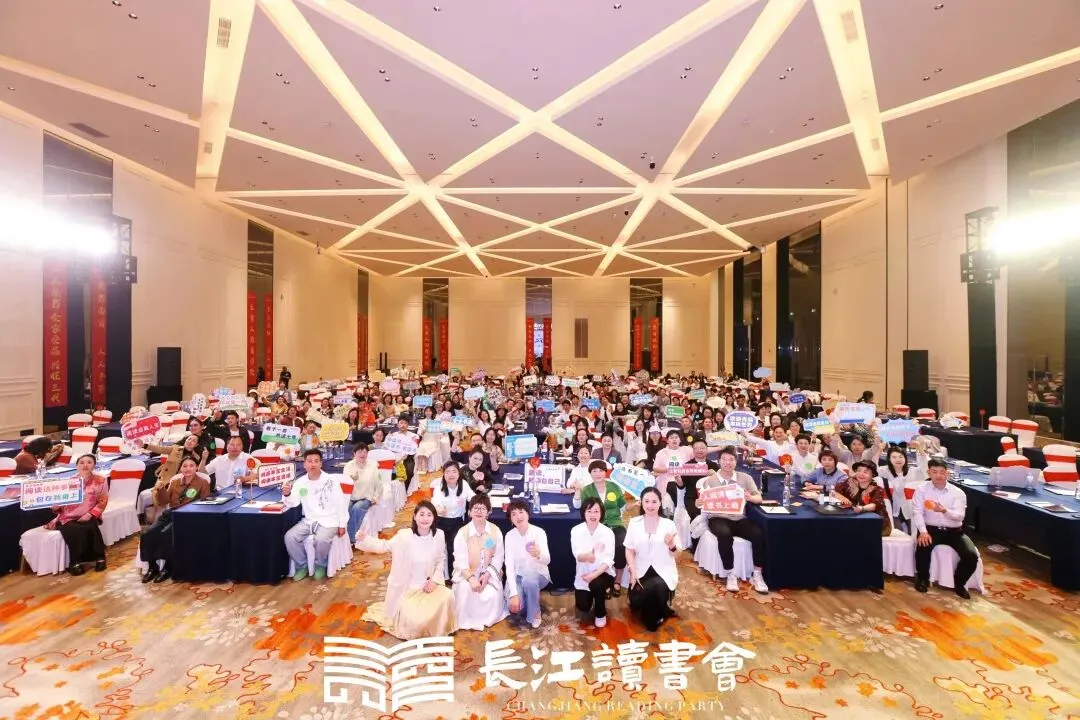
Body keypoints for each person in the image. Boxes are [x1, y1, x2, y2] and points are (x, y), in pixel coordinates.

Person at [356, 501, 457, 639]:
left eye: (429, 515)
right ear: (415, 516)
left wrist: (434, 581)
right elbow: (384, 546)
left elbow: (441, 560)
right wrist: (365, 539)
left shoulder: (439, 535)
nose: (425, 518)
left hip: (428, 588)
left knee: (449, 596)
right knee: (417, 622)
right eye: (422, 514)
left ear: (434, 518)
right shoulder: (404, 536)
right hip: (407, 590)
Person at [695, 446, 769, 594]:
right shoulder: (710, 481)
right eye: (724, 459)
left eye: (731, 459)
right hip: (718, 518)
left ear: (736, 461)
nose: (728, 463)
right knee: (725, 535)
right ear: (719, 461)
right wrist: (699, 503)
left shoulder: (745, 478)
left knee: (758, 533)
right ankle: (730, 573)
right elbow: (702, 504)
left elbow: (759, 498)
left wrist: (750, 497)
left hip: (739, 517)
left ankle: (757, 574)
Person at [912, 458, 978, 599]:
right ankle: (922, 579)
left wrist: (944, 511)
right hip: (930, 529)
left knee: (971, 555)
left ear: (947, 473)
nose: (938, 475)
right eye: (934, 472)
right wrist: (923, 531)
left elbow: (960, 517)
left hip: (954, 531)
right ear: (929, 473)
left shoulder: (958, 492)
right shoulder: (921, 489)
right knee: (923, 546)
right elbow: (917, 512)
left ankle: (959, 583)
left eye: (942, 472)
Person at [140, 456, 210, 583]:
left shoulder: (202, 482)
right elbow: (164, 501)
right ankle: (152, 567)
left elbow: (206, 504)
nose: (188, 468)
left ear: (196, 468)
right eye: (185, 466)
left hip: (188, 516)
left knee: (166, 533)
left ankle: (167, 567)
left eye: (191, 465)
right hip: (171, 513)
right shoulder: (175, 482)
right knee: (148, 532)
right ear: (181, 468)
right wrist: (161, 489)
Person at [282, 449, 348, 581]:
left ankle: (320, 565)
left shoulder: (331, 481)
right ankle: (301, 566)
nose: (313, 464)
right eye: (309, 461)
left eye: (316, 461)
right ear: (304, 464)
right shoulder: (300, 482)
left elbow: (341, 504)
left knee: (321, 540)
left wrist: (342, 524)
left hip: (329, 520)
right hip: (309, 520)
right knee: (290, 537)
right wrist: (287, 494)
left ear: (321, 464)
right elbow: (293, 503)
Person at [624, 487, 682, 631]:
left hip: (663, 571)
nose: (650, 505)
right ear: (641, 502)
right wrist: (632, 569)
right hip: (640, 571)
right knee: (637, 601)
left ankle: (659, 609)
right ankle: (661, 609)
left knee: (651, 621)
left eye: (654, 502)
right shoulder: (634, 523)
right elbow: (629, 549)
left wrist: (671, 545)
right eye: (647, 501)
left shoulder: (668, 524)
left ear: (660, 503)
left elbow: (677, 554)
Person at [452, 494, 508, 630]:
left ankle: (488, 618)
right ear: (469, 512)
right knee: (466, 591)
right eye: (475, 508)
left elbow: (499, 556)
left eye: (483, 508)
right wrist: (471, 579)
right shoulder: (463, 533)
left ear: (488, 512)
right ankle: (467, 619)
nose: (479, 511)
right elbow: (460, 560)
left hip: (489, 572)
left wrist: (488, 574)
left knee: (491, 594)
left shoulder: (495, 531)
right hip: (467, 573)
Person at [45, 454, 108, 575]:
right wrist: (55, 506)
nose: (85, 465)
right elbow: (60, 501)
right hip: (68, 516)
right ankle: (75, 562)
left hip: (89, 514)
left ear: (94, 465)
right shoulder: (70, 481)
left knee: (91, 526)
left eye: (89, 462)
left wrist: (90, 514)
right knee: (73, 529)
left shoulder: (101, 480)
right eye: (81, 462)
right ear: (77, 465)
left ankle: (100, 558)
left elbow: (103, 501)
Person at [579, 459, 629, 597]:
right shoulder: (587, 490)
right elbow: (584, 510)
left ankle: (618, 579)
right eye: (594, 471)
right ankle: (605, 581)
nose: (598, 473)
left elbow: (623, 506)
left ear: (605, 472)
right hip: (598, 526)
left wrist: (635, 504)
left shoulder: (614, 486)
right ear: (590, 473)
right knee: (600, 549)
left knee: (621, 546)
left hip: (615, 523)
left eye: (600, 470)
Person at [502, 501, 551, 628]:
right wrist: (514, 594)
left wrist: (539, 554)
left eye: (521, 512)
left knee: (529, 581)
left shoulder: (538, 532)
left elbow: (547, 560)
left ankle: (535, 613)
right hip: (519, 576)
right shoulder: (509, 536)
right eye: (514, 514)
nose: (518, 516)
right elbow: (509, 565)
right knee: (514, 607)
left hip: (538, 574)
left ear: (528, 514)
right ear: (510, 519)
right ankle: (526, 595)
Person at [571, 496, 616, 627]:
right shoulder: (576, 530)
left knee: (597, 585)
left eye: (596, 511)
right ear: (583, 513)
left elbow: (609, 560)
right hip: (583, 575)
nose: (593, 515)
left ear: (601, 513)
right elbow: (577, 555)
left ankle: (600, 613)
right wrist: (587, 556)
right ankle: (596, 593)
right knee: (583, 607)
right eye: (589, 511)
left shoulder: (608, 532)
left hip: (603, 573)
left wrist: (593, 575)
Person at [431, 461, 473, 576]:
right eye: (447, 472)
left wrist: (472, 507)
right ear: (444, 474)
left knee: (454, 548)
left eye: (454, 471)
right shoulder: (439, 487)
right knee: (440, 549)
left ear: (459, 473)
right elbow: (435, 501)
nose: (451, 475)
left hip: (458, 522)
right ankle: (439, 575)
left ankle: (452, 575)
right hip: (441, 521)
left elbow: (472, 497)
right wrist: (439, 509)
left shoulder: (464, 485)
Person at [832, 460, 890, 536]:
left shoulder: (877, 489)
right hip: (855, 518)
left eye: (865, 472)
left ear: (872, 475)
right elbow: (835, 492)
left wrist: (862, 508)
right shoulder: (849, 482)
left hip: (876, 522)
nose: (861, 474)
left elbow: (874, 505)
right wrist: (843, 498)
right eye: (859, 471)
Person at [342, 443, 383, 542]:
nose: (362, 454)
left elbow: (379, 484)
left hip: (366, 497)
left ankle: (351, 539)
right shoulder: (349, 466)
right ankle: (342, 535)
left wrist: (375, 497)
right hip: (351, 496)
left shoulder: (373, 466)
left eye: (365, 452)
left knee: (356, 508)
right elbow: (345, 480)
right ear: (354, 454)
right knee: (345, 508)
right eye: (360, 452)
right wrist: (351, 477)